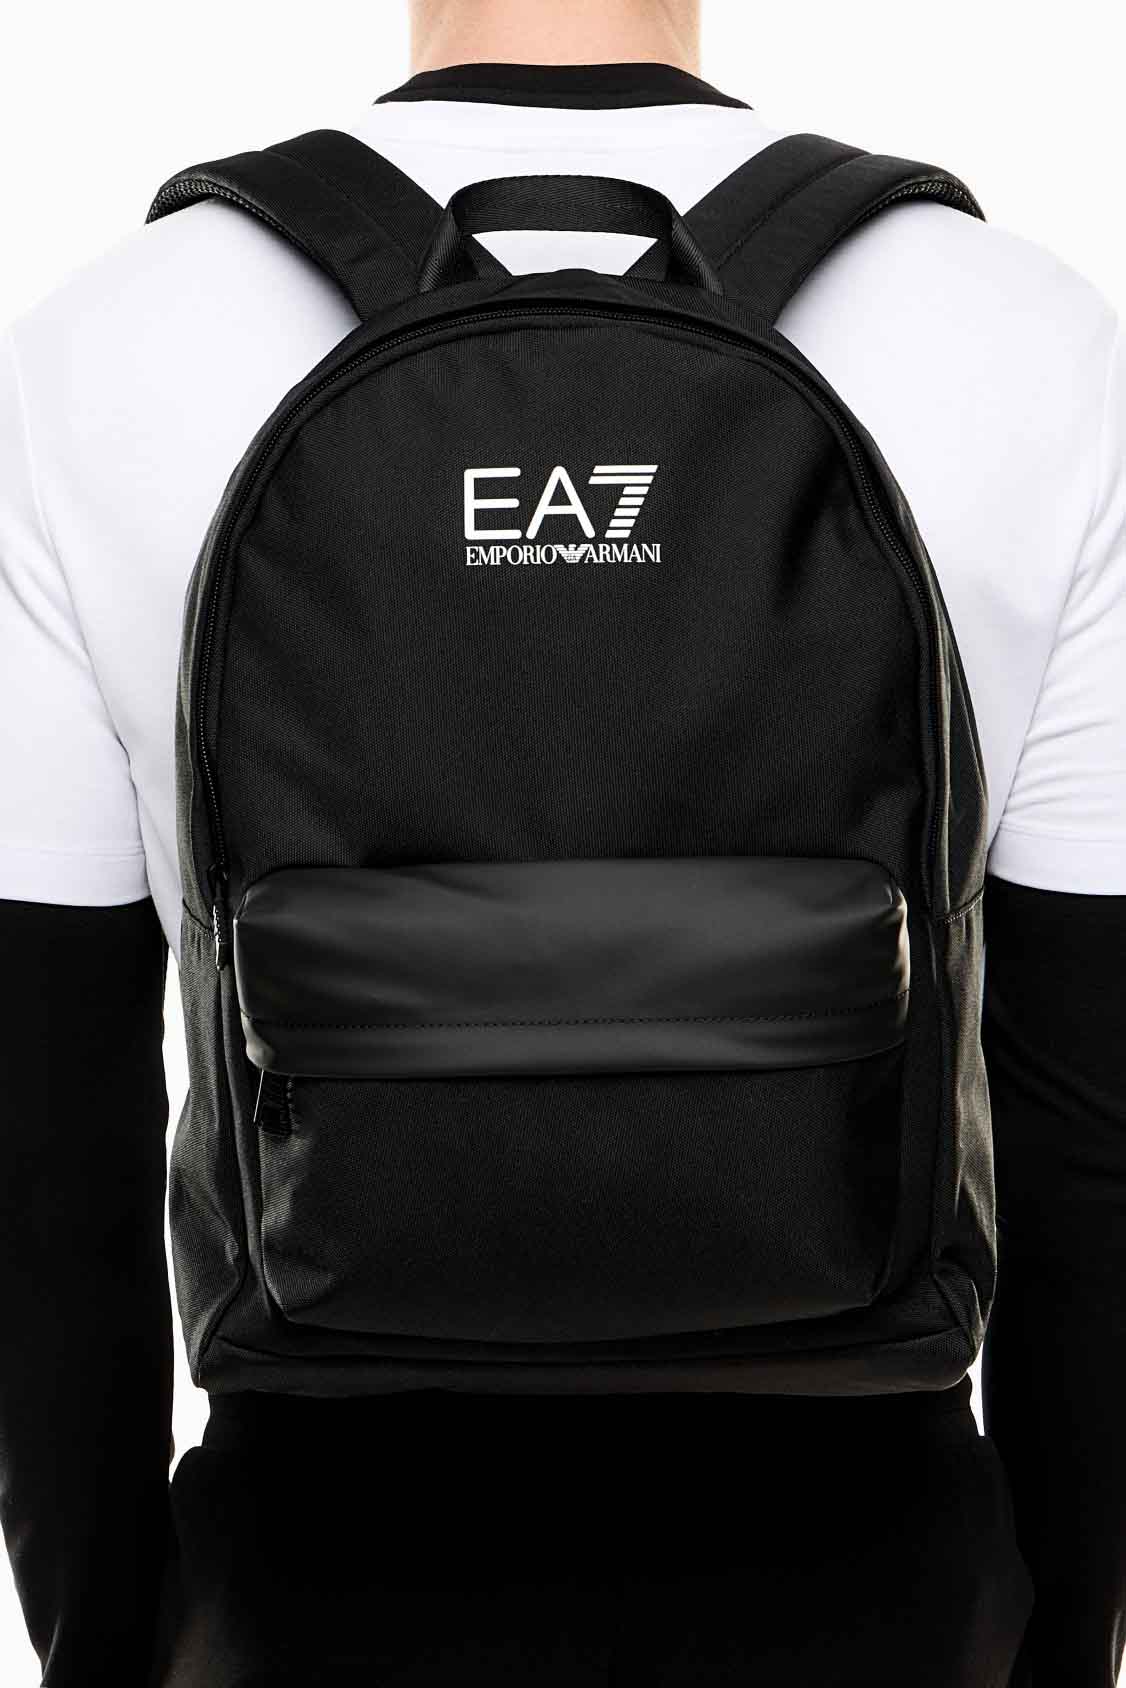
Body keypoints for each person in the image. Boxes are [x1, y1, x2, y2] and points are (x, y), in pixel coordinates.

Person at [1, 2, 1123, 1683]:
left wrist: (112, 1648)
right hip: (892, 1566)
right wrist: (1056, 1637)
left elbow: (39, 1141)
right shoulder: (1029, 338)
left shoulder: (97, 349)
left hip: (295, 1568)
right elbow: (1091, 1123)